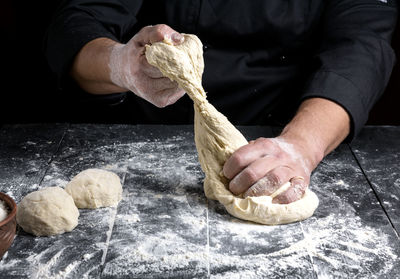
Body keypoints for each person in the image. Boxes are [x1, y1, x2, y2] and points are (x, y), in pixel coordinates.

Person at [44, 0, 398, 204]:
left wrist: (302, 145)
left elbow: (361, 44)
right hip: (139, 127)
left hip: (276, 128)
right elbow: (77, 21)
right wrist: (120, 65)